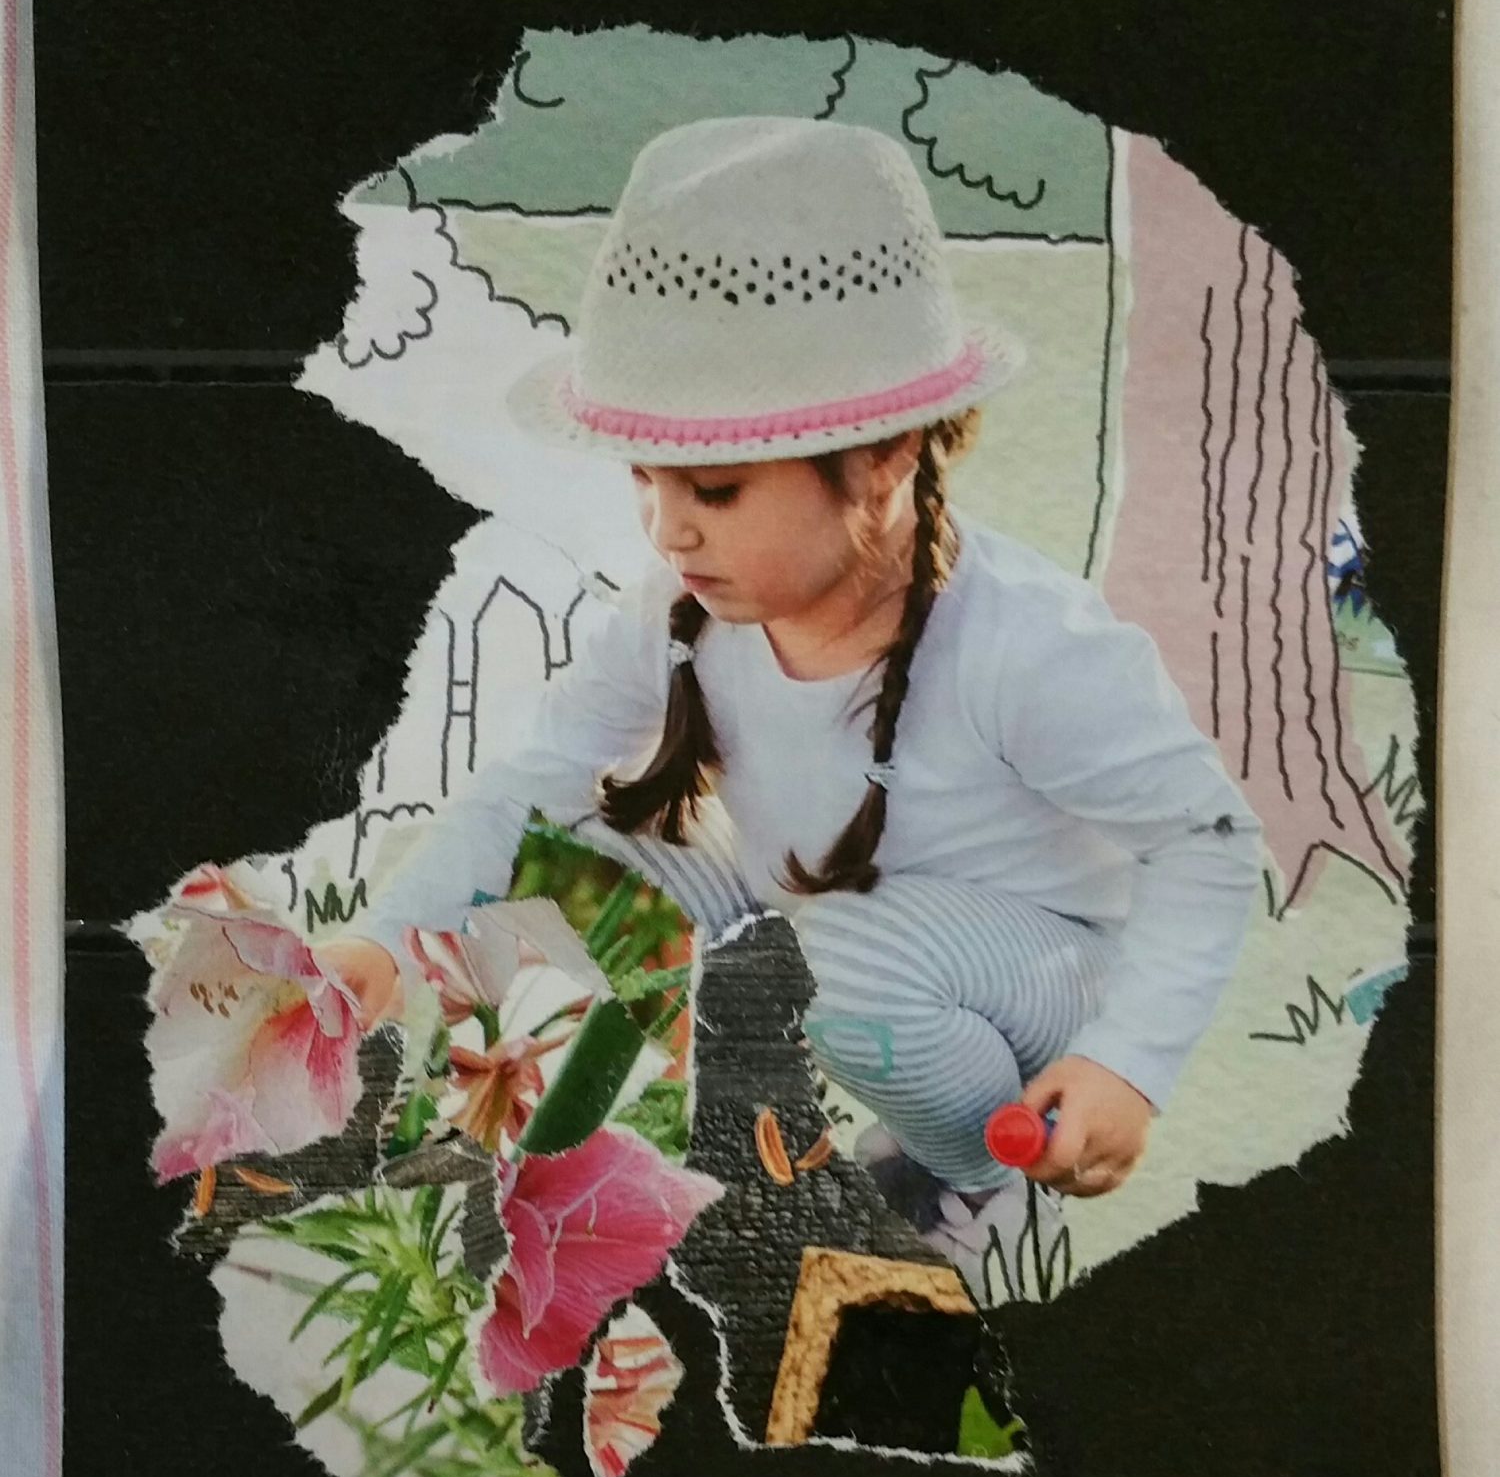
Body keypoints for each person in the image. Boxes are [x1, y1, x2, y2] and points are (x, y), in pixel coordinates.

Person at [323, 114, 1262, 1306]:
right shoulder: (683, 607)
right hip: (815, 906)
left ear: (883, 458)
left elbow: (1206, 841)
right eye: (646, 479)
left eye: (715, 487)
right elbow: (532, 779)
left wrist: (1126, 1062)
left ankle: (970, 1176)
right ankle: (575, 1152)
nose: (668, 527)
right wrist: (386, 933)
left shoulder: (1029, 645)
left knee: (851, 960)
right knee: (569, 864)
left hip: (1027, 981)